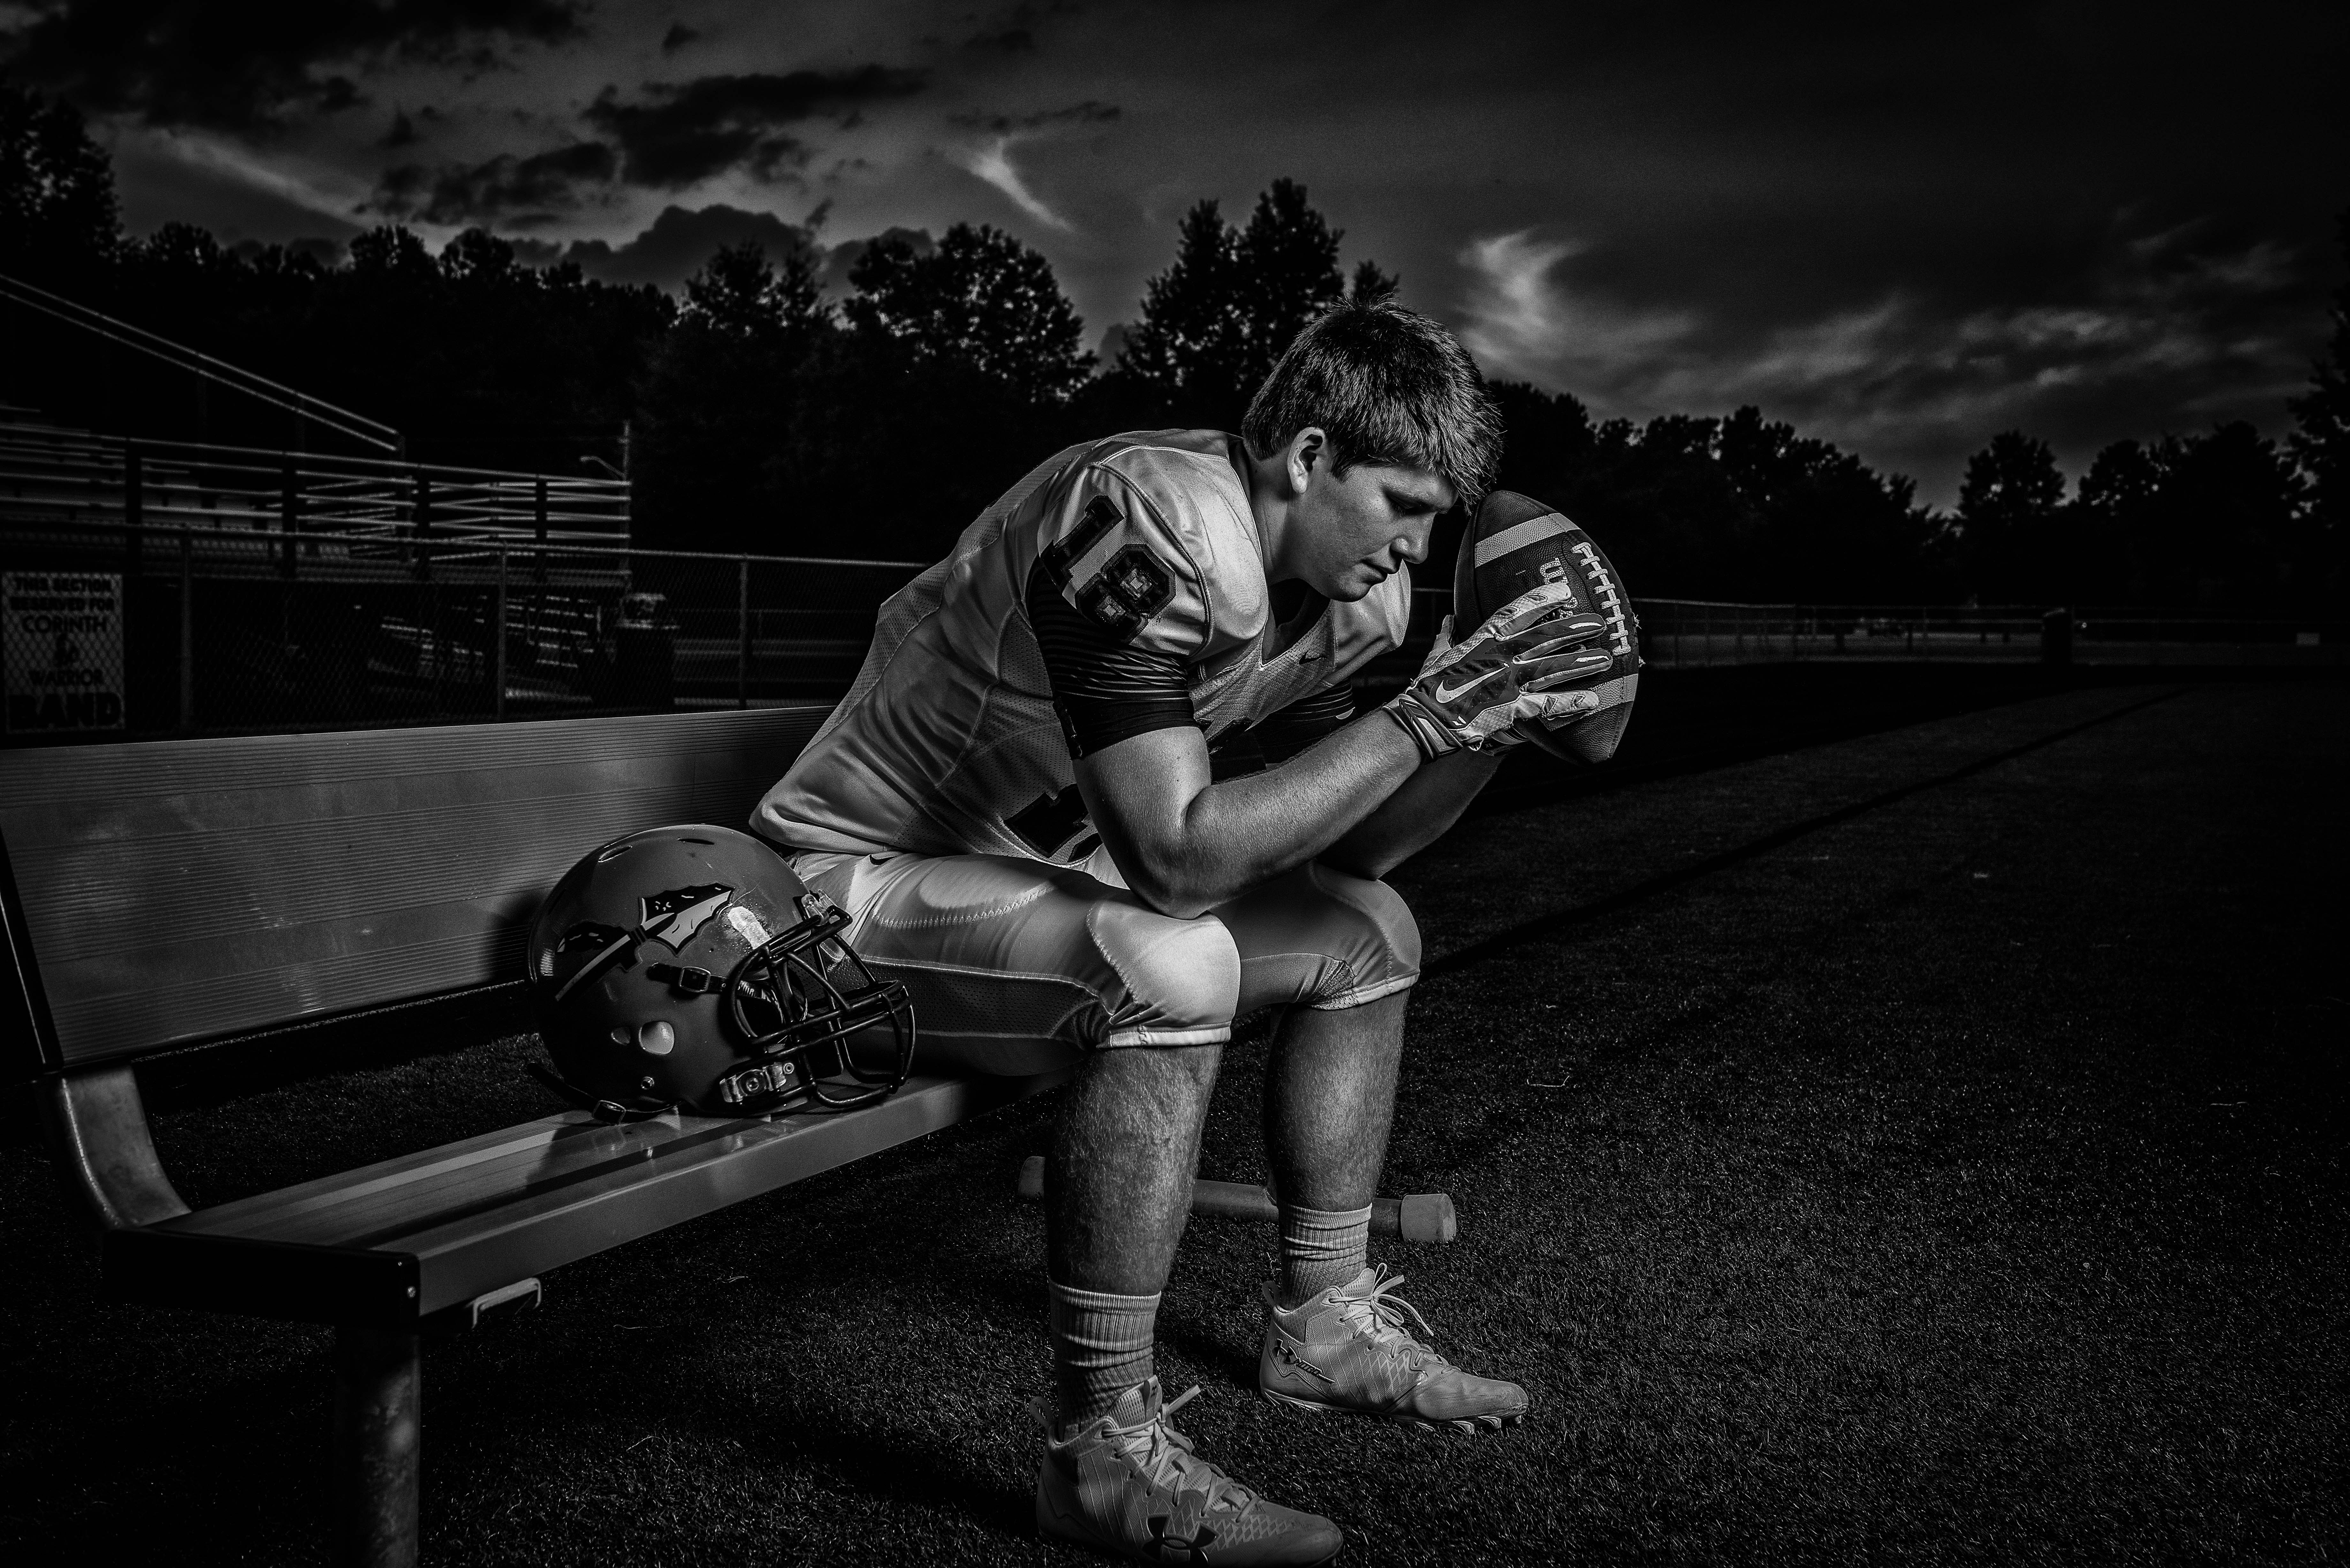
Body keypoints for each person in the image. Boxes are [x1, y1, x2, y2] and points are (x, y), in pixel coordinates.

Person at [753, 300, 1617, 1564]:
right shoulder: (1145, 512)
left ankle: (1322, 1326)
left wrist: (1494, 718)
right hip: (849, 892)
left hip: (1039, 883)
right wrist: (1431, 714)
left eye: (1441, 517)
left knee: (1367, 929)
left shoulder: (1353, 605)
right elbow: (1175, 855)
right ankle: (1096, 1451)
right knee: (1173, 955)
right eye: (1401, 502)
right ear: (1309, 457)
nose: (1419, 546)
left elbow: (1354, 844)